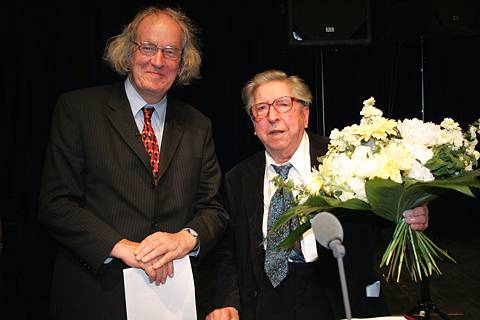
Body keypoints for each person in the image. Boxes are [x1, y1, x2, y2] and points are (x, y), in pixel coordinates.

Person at [38, 6, 228, 320]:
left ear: (182, 63)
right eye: (148, 47)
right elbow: (56, 203)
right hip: (95, 295)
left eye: (170, 51)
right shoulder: (78, 110)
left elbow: (214, 209)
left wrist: (184, 239)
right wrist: (124, 247)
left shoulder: (198, 125)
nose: (158, 61)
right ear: (128, 52)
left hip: (172, 298)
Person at [206, 70, 429, 320]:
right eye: (261, 109)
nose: (272, 117)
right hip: (263, 301)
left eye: (283, 104)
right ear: (253, 125)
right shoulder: (238, 178)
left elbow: (383, 225)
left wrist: (407, 212)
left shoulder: (346, 161)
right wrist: (226, 302)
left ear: (305, 114)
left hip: (335, 300)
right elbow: (229, 250)